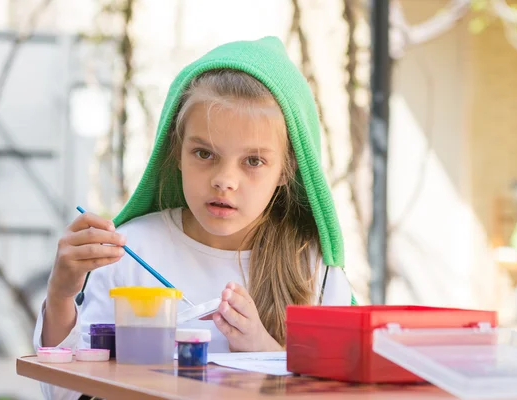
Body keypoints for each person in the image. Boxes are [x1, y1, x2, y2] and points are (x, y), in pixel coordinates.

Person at [33, 36, 356, 400]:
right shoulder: (130, 250)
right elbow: (62, 394)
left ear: (286, 170)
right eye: (204, 153)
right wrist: (60, 296)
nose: (224, 181)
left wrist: (262, 352)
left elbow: (339, 390)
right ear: (176, 152)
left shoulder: (312, 267)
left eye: (253, 161)